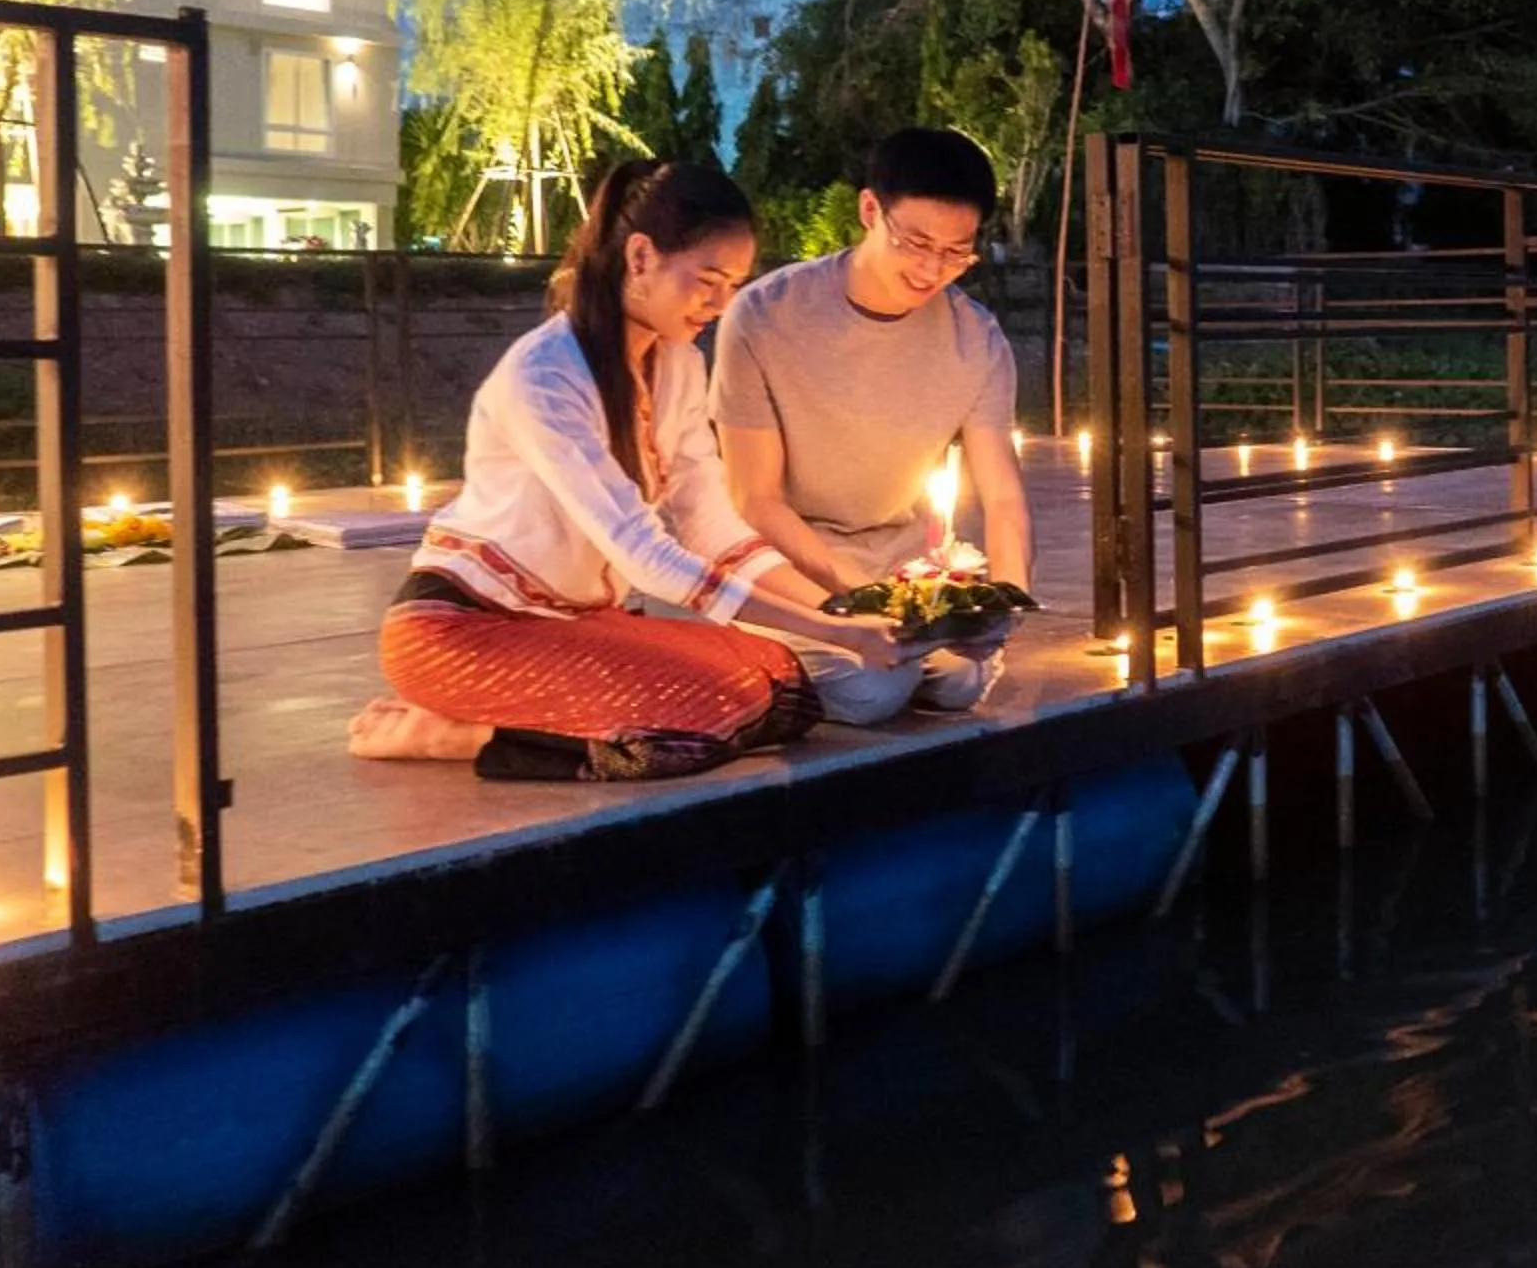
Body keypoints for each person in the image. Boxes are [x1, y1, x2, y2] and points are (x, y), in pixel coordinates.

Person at [348, 160, 917, 782]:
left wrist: (843, 615)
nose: (721, 305)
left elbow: (712, 528)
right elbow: (645, 554)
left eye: (734, 284)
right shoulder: (545, 375)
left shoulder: (676, 365)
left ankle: (521, 717)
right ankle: (456, 734)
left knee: (778, 683)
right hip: (462, 632)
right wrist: (836, 630)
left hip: (578, 623)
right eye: (708, 280)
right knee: (679, 734)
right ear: (640, 256)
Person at [715, 127, 1031, 717]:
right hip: (788, 568)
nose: (931, 268)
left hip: (906, 571)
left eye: (955, 252)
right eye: (915, 242)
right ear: (869, 210)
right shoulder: (764, 316)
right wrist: (857, 603)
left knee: (960, 680)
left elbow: (1003, 494)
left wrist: (1001, 606)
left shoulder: (976, 339)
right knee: (873, 694)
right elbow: (755, 499)